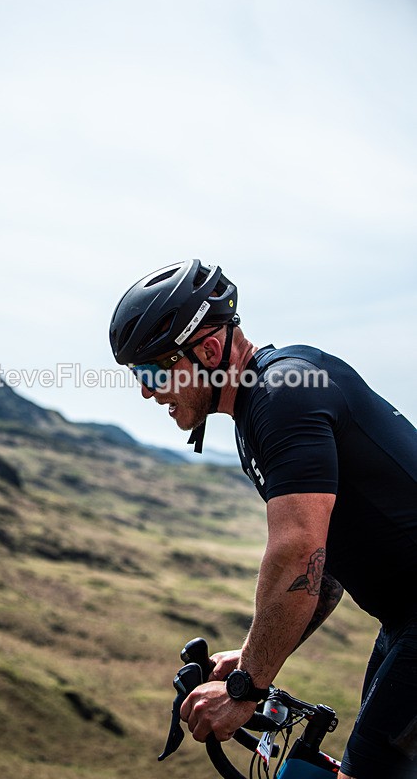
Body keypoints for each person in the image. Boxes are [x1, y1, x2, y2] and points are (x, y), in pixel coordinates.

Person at [109, 259, 417, 779]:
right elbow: (323, 569)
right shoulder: (263, 403)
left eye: (152, 372)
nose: (146, 390)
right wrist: (251, 658)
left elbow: (297, 552)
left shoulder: (282, 396)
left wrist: (245, 689)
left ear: (209, 352)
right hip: (403, 619)